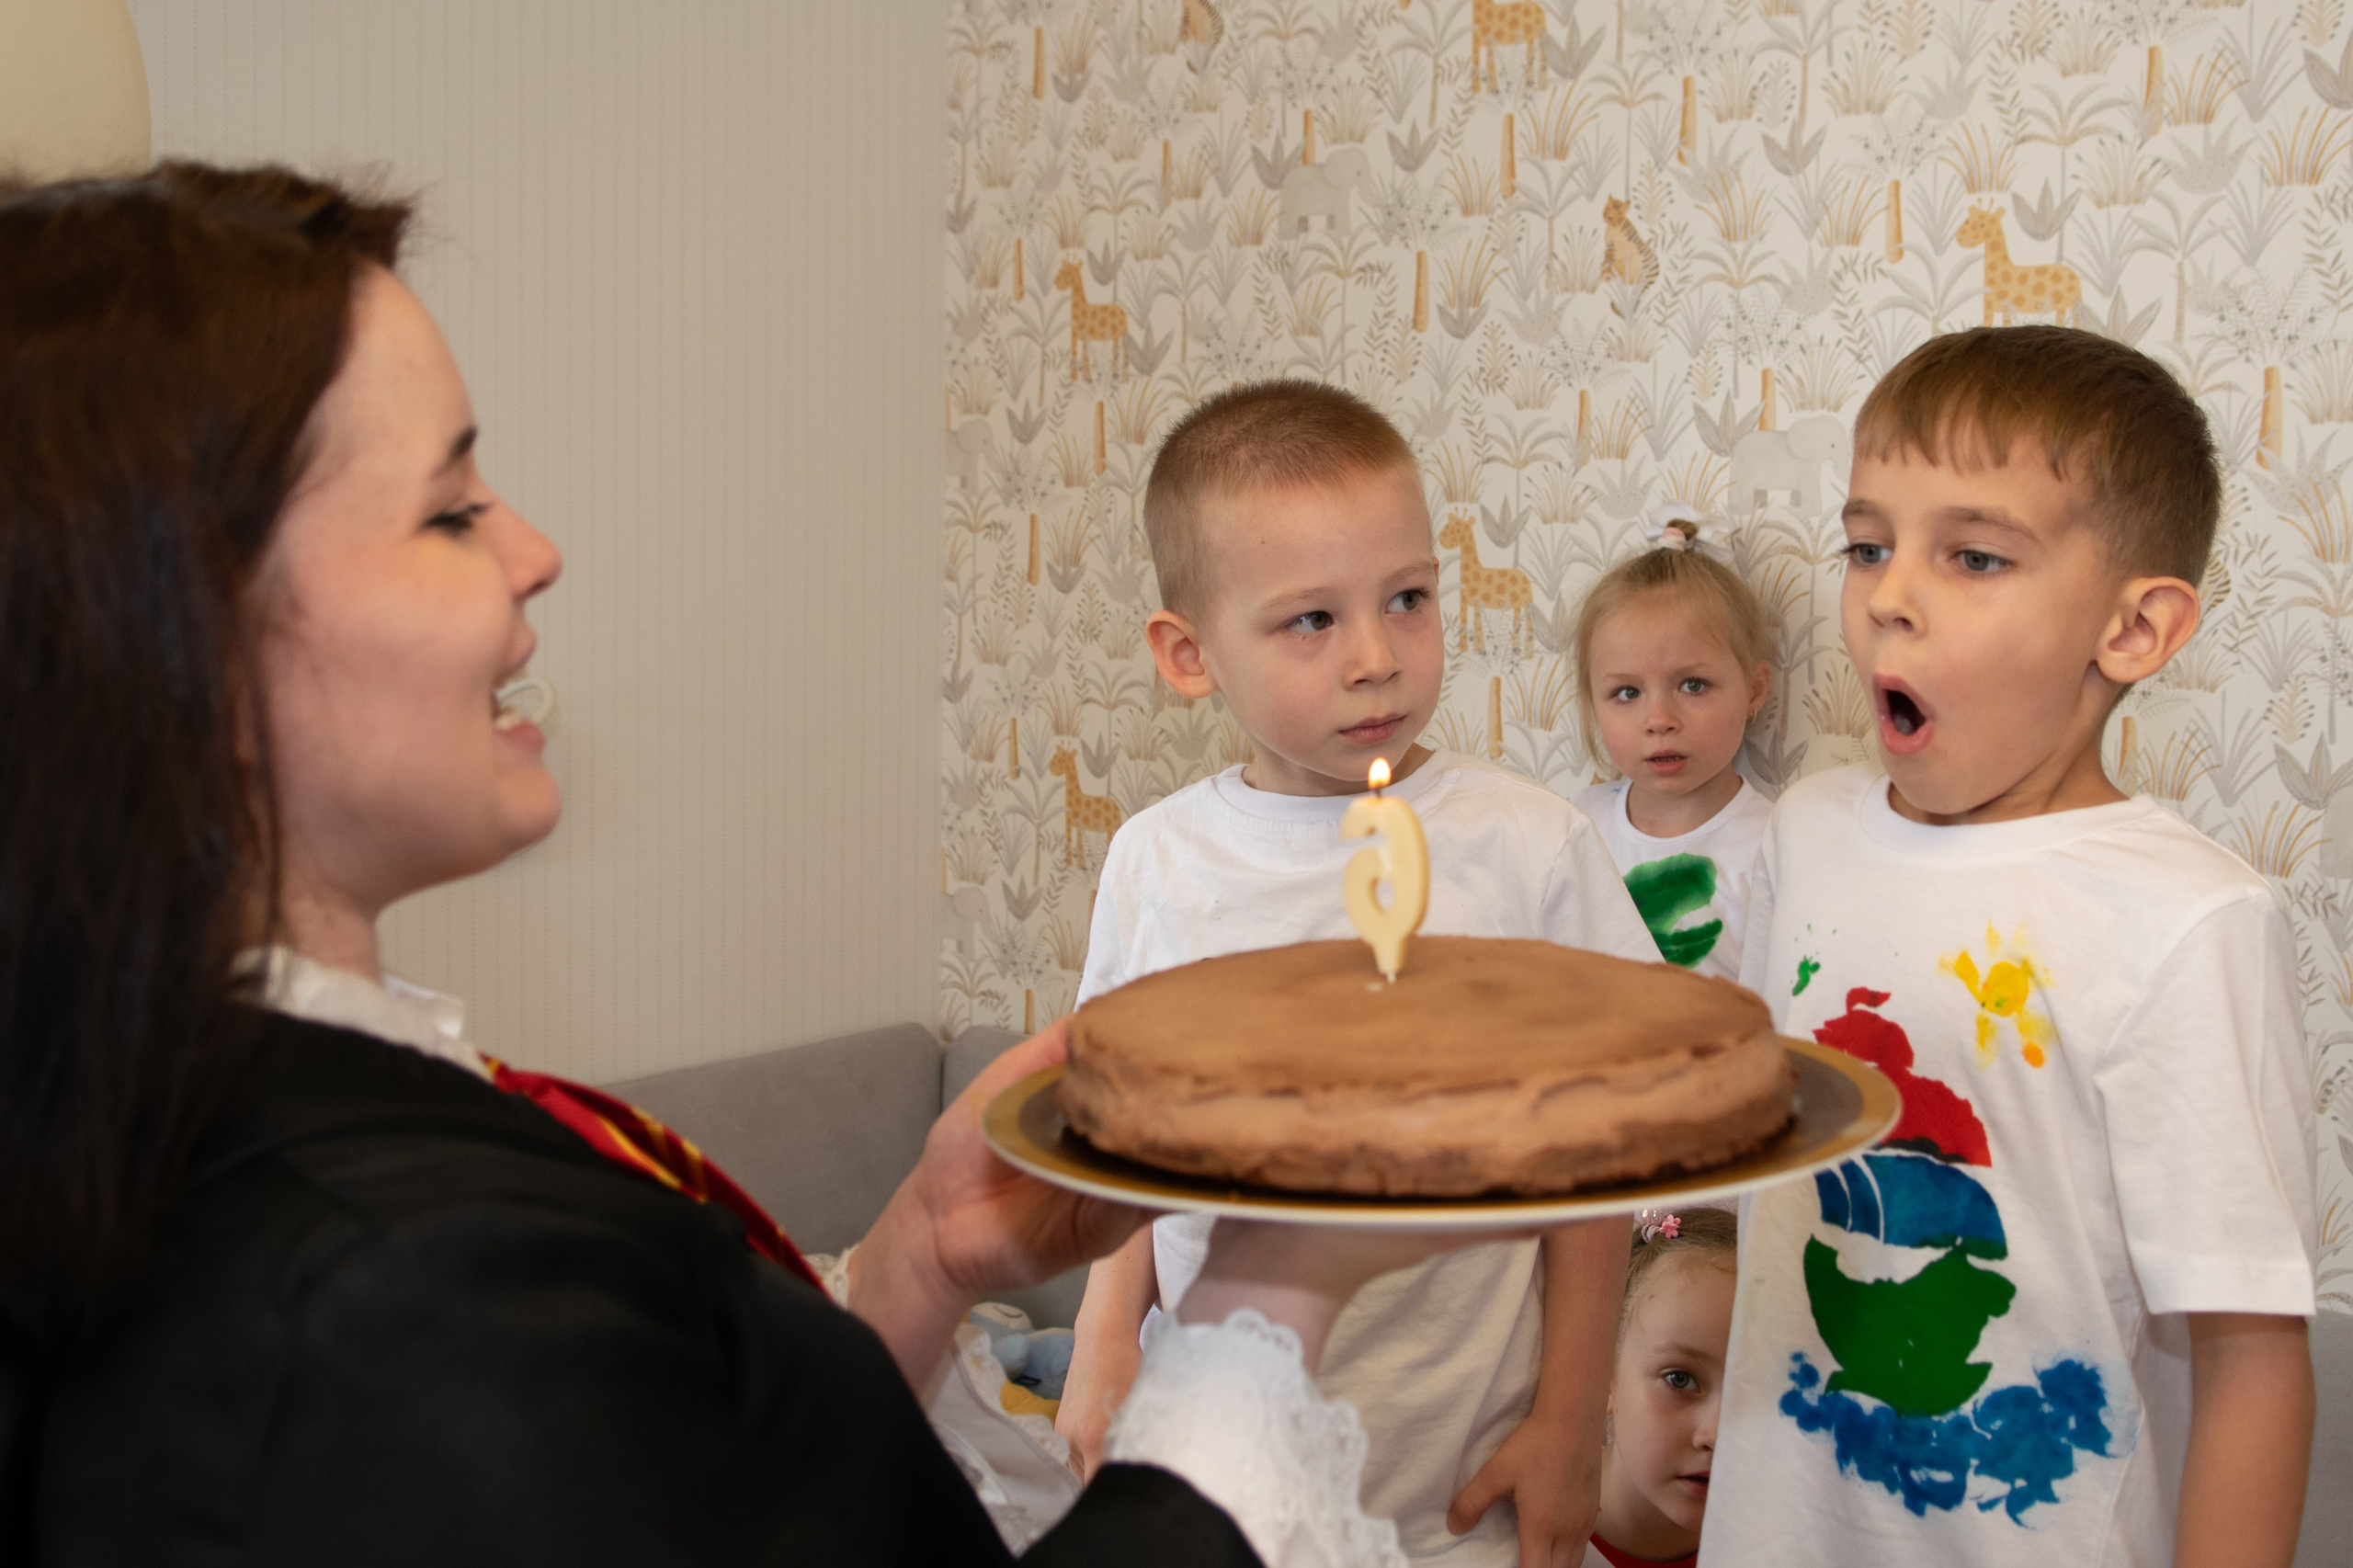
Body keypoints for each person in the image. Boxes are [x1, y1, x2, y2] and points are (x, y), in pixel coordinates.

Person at [0, 163, 1493, 1568]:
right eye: (451, 508)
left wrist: (912, 1259)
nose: (534, 549)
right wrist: (1268, 1290)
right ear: (178, 642)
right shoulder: (397, 1302)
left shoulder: (199, 1114)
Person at [1702, 327, 2317, 1566]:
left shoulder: (2187, 922)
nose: (1889, 592)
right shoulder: (1808, 829)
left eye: (1973, 555)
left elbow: (2254, 1355)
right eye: (1867, 544)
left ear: (2134, 630)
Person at [1054, 380, 1658, 1568]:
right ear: (1189, 653)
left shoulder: (1526, 845)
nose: (1377, 658)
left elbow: (1603, 1163)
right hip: (1222, 1465)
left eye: (1409, 598)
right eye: (1311, 621)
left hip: (1462, 1482)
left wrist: (1572, 1421)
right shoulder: (1160, 863)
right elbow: (1117, 1130)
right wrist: (1100, 1336)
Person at [1571, 518, 1773, 981]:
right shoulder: (1579, 826)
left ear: (1755, 690)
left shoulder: (1772, 844)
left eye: (1693, 685)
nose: (1659, 720)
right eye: (1627, 693)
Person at [1581, 1209, 1736, 1568]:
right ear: (1602, 1373)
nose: (1716, 1434)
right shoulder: (1509, 1538)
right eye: (1679, 1379)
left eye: (1754, 1389)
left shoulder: (1796, 1544)